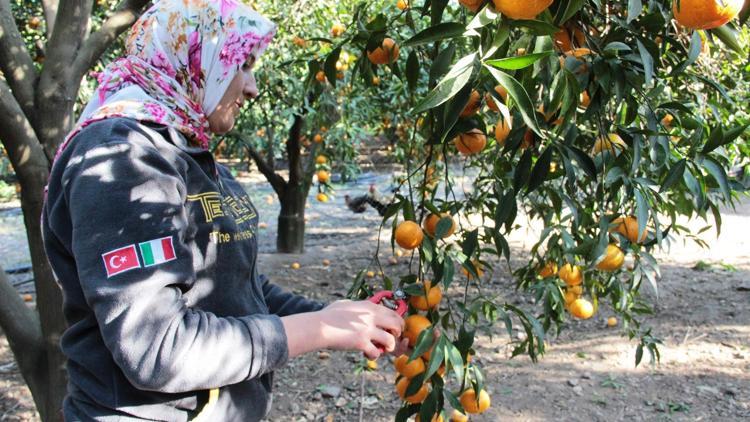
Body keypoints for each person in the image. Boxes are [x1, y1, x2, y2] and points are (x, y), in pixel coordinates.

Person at [41, 0, 407, 420]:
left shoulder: (190, 154)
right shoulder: (122, 157)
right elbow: (158, 350)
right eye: (243, 64)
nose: (252, 87)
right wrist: (317, 330)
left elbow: (237, 288)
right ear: (195, 56)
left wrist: (342, 318)